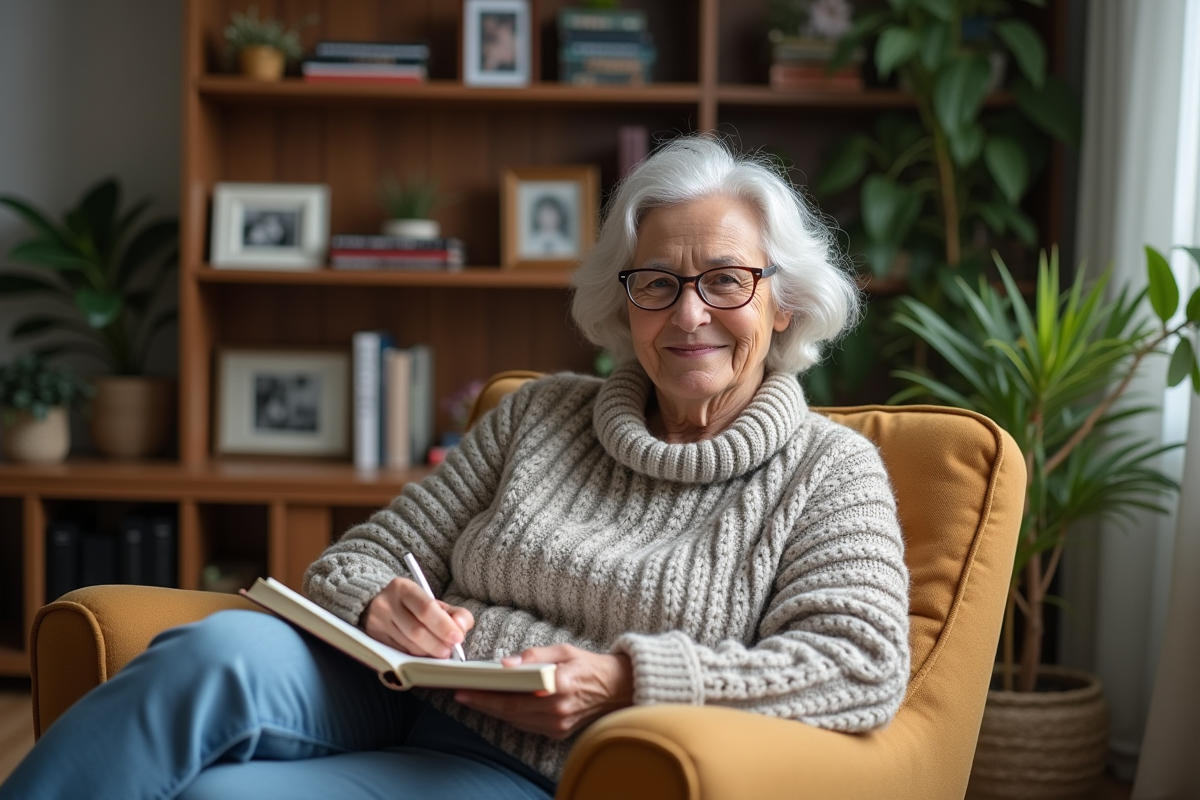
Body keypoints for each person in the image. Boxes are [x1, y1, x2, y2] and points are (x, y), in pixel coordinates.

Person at [0, 135, 909, 800]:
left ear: (783, 301)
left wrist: (628, 682)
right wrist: (376, 603)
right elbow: (360, 559)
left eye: (725, 280)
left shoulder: (830, 472)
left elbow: (861, 665)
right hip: (386, 689)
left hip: (540, 766)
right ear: (622, 304)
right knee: (212, 651)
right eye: (657, 284)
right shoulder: (540, 416)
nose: (689, 314)